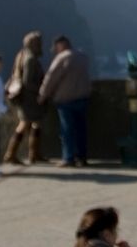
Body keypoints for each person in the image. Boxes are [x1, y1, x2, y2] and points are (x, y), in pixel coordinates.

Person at [38, 35, 92, 167]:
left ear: (60, 45)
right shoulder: (82, 56)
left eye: (56, 47)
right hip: (83, 98)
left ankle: (68, 158)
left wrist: (42, 95)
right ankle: (82, 157)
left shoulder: (62, 58)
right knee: (81, 130)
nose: (55, 50)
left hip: (66, 100)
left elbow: (50, 79)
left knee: (67, 130)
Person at [5, 30, 48, 166]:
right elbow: (28, 82)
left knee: (33, 124)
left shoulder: (21, 55)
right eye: (39, 42)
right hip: (30, 99)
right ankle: (11, 154)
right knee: (25, 124)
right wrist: (41, 91)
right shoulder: (30, 59)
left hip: (25, 99)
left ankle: (33, 154)